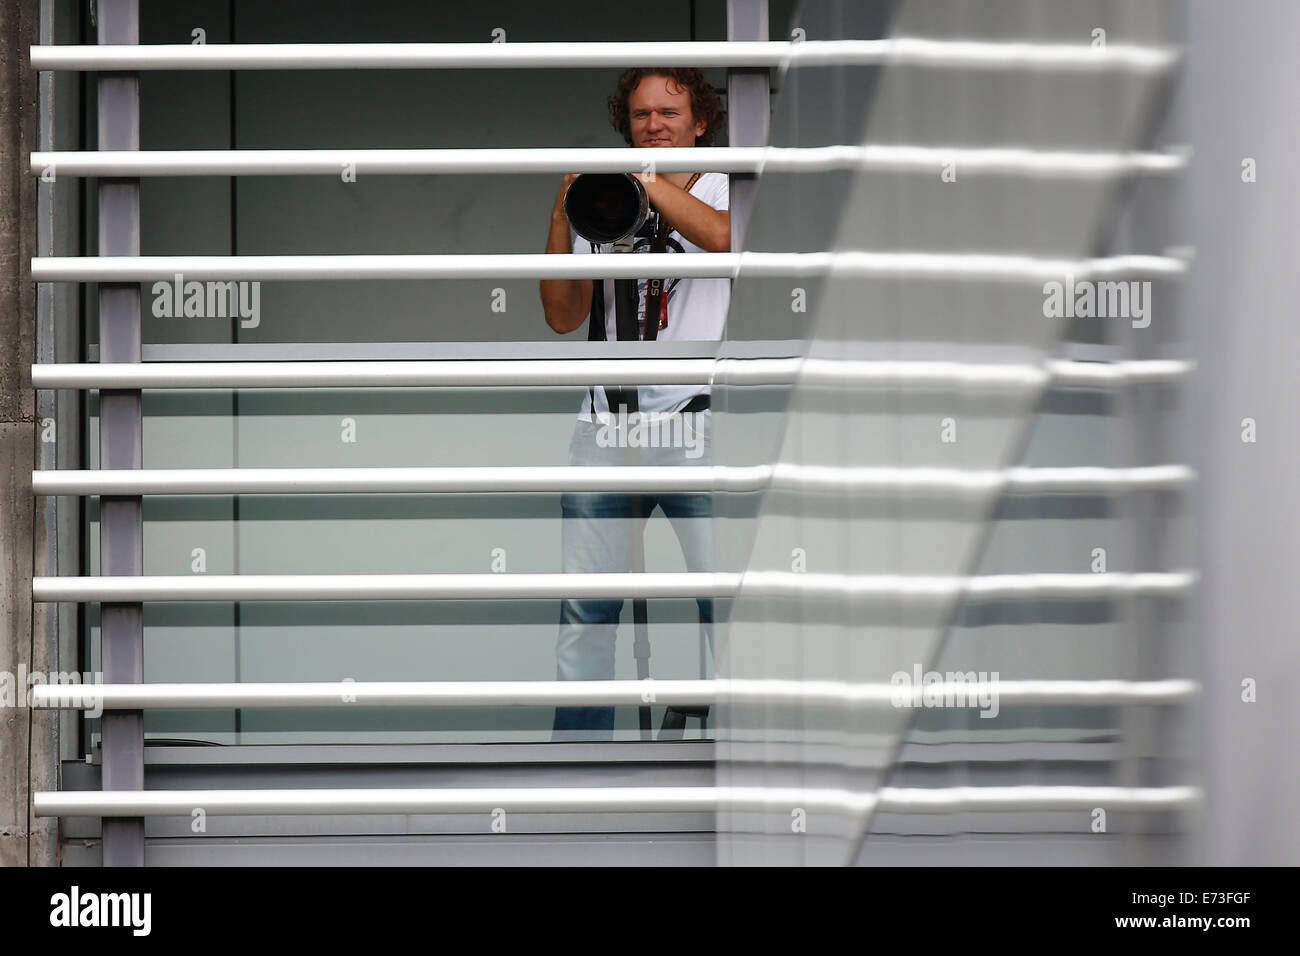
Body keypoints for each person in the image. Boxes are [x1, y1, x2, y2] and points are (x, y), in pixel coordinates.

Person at [539, 68, 729, 740]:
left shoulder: (731, 180)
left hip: (696, 424)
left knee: (726, 603)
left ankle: (738, 761)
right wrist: (566, 213)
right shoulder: (606, 198)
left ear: (700, 121)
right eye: (642, 115)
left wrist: (649, 186)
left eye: (669, 113)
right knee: (586, 612)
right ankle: (577, 774)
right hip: (606, 429)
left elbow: (725, 238)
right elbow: (564, 315)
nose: (654, 125)